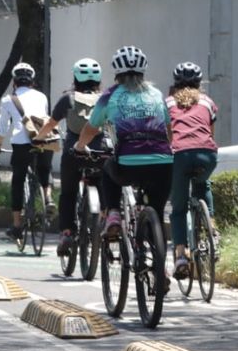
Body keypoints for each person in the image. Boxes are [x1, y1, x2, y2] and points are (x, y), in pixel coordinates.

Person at [73, 46, 173, 254]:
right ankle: (160, 266)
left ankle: (114, 215)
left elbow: (91, 128)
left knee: (108, 167)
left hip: (128, 163)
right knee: (157, 211)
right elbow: (168, 129)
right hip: (163, 164)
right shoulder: (156, 94)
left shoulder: (110, 96)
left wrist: (80, 146)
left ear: (117, 73)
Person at [35, 58, 107, 259]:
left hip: (74, 152)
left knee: (68, 193)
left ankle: (67, 233)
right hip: (100, 151)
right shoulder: (106, 99)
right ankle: (107, 220)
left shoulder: (68, 99)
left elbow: (51, 123)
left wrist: (39, 139)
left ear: (75, 77)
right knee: (104, 185)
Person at [165, 61, 219, 280]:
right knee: (202, 184)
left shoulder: (168, 103)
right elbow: (210, 132)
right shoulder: (207, 102)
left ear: (175, 83)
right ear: (200, 83)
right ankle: (212, 230)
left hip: (179, 154)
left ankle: (180, 256)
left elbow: (167, 134)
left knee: (178, 209)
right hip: (207, 154)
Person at [0, 62, 54, 243]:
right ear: (32, 81)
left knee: (18, 180)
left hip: (21, 143)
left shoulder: (7, 100)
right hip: (43, 139)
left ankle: (17, 225)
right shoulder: (42, 96)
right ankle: (48, 197)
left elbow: (3, 128)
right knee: (44, 169)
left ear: (14, 82)